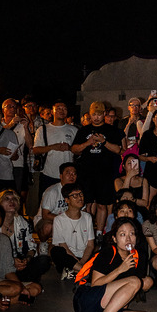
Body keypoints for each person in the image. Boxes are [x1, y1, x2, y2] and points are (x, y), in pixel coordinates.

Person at [72, 217, 151, 312]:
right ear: (114, 238)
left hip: (106, 309)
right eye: (122, 234)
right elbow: (95, 284)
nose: (128, 239)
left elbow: (128, 291)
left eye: (132, 234)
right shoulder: (108, 253)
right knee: (134, 281)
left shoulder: (139, 255)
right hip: (87, 301)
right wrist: (120, 269)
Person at [71, 101, 122, 241]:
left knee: (102, 204)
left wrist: (104, 142)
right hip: (86, 173)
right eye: (94, 114)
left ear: (104, 114)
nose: (96, 117)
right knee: (86, 203)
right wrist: (87, 143)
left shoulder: (111, 130)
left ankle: (99, 233)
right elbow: (74, 149)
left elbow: (118, 150)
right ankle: (86, 232)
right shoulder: (84, 130)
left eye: (99, 114)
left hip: (105, 173)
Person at [0, 189, 50, 286]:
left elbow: (31, 247)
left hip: (19, 262)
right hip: (0, 263)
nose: (11, 201)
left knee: (44, 261)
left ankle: (23, 282)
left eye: (14, 199)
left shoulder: (22, 222)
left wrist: (26, 260)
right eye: (7, 199)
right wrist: (11, 260)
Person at [51, 183, 95, 280]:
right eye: (75, 196)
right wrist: (76, 262)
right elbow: (62, 245)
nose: (80, 198)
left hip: (84, 257)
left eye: (81, 194)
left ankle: (75, 271)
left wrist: (82, 261)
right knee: (56, 251)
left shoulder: (87, 217)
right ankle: (84, 272)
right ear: (67, 200)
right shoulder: (59, 220)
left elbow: (90, 245)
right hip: (69, 258)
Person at [32, 101, 78, 195]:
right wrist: (52, 147)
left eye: (64, 109)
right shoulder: (43, 129)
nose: (62, 111)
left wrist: (70, 148)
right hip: (48, 174)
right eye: (58, 108)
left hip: (68, 176)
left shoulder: (74, 130)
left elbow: (79, 151)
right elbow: (36, 150)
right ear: (52, 112)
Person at [33, 161, 78, 254]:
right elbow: (45, 215)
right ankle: (43, 243)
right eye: (68, 173)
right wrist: (65, 219)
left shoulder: (77, 191)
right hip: (47, 220)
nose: (71, 176)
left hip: (67, 220)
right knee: (48, 227)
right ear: (61, 176)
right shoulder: (52, 191)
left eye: (74, 173)